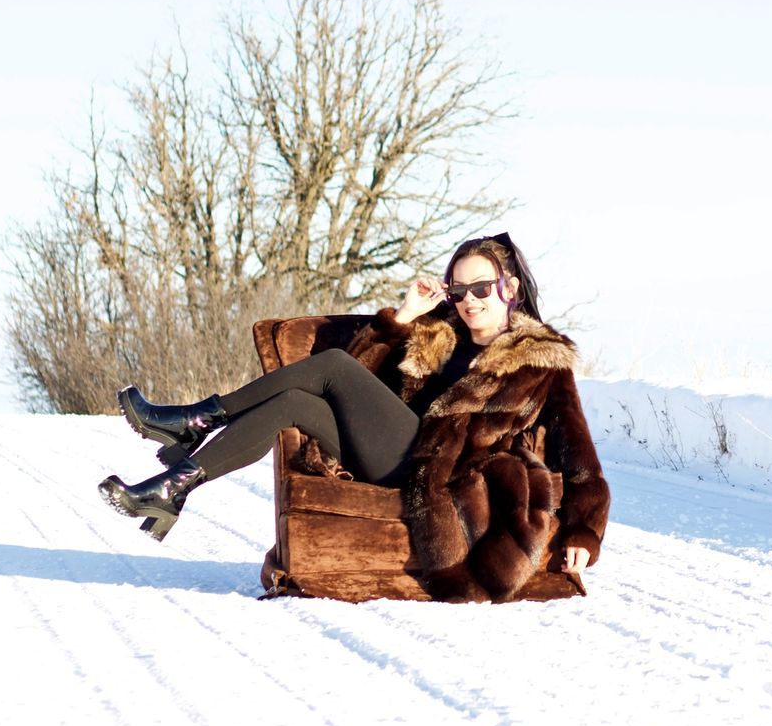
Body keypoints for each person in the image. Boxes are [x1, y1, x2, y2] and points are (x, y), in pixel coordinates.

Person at [97, 232, 611, 602]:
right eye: (458, 291)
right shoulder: (436, 337)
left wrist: (585, 535)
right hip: (400, 456)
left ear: (510, 289)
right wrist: (405, 318)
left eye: (481, 288)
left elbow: (582, 461)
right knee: (295, 404)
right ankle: (175, 487)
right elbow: (364, 387)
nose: (469, 301)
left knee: (333, 367)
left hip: (452, 479)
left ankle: (194, 420)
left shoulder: (542, 361)